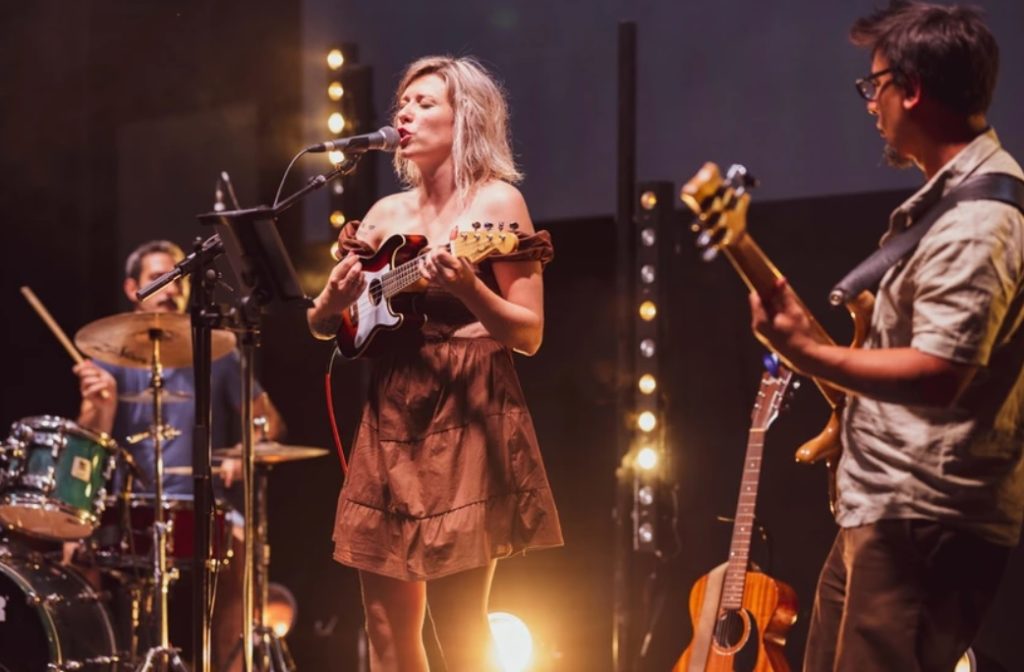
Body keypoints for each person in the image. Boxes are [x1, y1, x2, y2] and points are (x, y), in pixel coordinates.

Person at [748, 3, 1024, 671]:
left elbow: (939, 373)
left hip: (923, 516)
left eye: (874, 86)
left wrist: (808, 352)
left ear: (913, 88)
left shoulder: (979, 222)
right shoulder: (944, 207)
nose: (871, 104)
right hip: (883, 506)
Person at [307, 55, 563, 671]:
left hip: (468, 403)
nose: (405, 113)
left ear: (465, 118)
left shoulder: (497, 202)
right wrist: (335, 299)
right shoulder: (383, 216)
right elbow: (323, 326)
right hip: (393, 409)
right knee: (384, 624)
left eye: (425, 103)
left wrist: (470, 288)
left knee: (458, 622)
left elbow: (529, 334)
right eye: (403, 102)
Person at [74, 239, 285, 672]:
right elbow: (86, 446)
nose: (171, 289)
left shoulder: (218, 352)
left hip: (203, 506)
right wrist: (99, 408)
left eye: (178, 280)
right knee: (75, 554)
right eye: (158, 278)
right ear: (132, 288)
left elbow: (269, 423)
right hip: (129, 508)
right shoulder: (108, 355)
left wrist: (241, 452)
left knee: (239, 556)